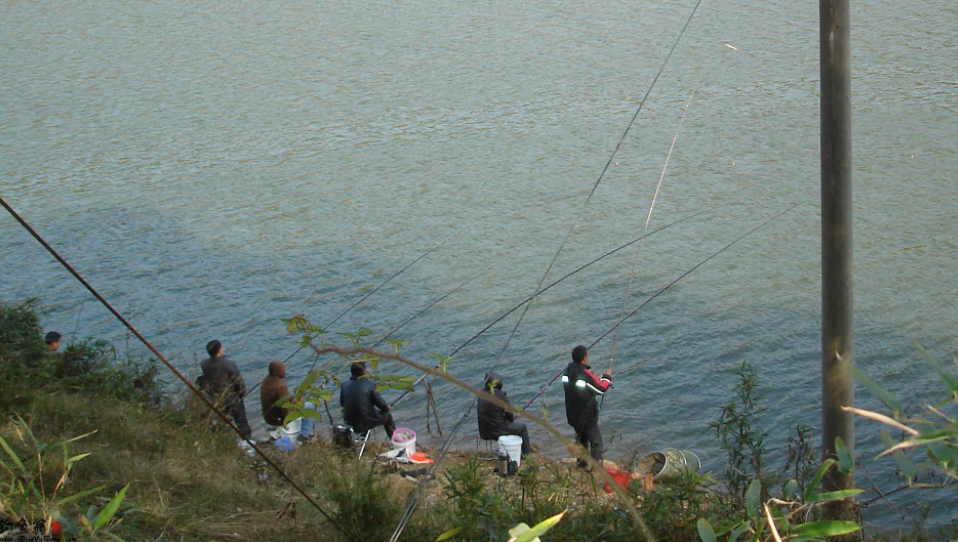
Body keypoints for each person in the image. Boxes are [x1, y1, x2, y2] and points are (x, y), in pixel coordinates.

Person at [562, 345, 612, 470]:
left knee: (581, 440)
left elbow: (585, 385)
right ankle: (596, 469)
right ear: (585, 358)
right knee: (596, 442)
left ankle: (581, 464)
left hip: (572, 414)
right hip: (587, 415)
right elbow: (600, 389)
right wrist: (607, 377)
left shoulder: (567, 372)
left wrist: (597, 379)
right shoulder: (584, 374)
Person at [200, 340, 252, 440]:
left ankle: (226, 442)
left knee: (224, 424)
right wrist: (242, 394)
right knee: (242, 424)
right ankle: (248, 443)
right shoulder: (229, 364)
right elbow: (239, 383)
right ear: (219, 350)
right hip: (233, 400)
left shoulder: (204, 365)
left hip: (217, 401)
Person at [260, 360, 317, 441]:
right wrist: (295, 412)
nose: (285, 372)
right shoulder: (280, 386)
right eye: (283, 369)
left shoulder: (266, 380)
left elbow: (282, 398)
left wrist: (294, 399)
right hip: (278, 419)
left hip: (268, 417)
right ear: (278, 371)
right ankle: (306, 434)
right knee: (308, 406)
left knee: (297, 400)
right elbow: (285, 409)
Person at [477, 372, 532, 456]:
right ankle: (527, 454)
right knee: (522, 428)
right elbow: (510, 413)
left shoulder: (481, 395)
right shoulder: (501, 395)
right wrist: (510, 420)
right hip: (498, 431)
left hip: (484, 432)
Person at [340, 362, 396, 438]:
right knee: (388, 416)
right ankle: (395, 441)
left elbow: (342, 403)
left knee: (360, 412)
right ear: (364, 372)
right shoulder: (370, 385)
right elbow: (382, 406)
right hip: (366, 421)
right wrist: (387, 407)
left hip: (350, 422)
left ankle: (362, 440)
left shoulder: (344, 385)